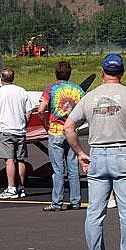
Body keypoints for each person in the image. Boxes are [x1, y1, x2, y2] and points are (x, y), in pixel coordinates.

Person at [64, 53, 126, 250]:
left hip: (97, 154)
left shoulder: (90, 97)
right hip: (123, 154)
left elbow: (69, 127)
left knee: (95, 212)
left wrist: (80, 152)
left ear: (102, 72)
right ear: (122, 72)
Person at [38, 60, 84, 211]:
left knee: (58, 169)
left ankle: (57, 202)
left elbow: (41, 109)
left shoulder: (51, 88)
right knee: (73, 168)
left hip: (55, 131)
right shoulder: (78, 90)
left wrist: (46, 124)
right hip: (72, 132)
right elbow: (84, 110)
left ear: (56, 73)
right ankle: (76, 201)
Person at [0, 68, 33, 200]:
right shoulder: (22, 91)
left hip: (6, 131)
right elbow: (29, 112)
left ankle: (11, 188)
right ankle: (21, 187)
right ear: (13, 78)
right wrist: (24, 124)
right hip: (20, 130)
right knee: (20, 159)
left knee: (9, 160)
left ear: (2, 79)